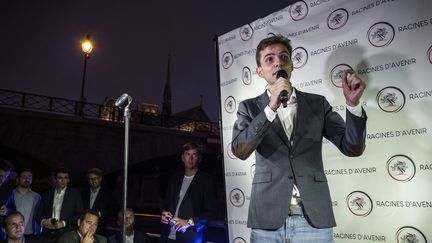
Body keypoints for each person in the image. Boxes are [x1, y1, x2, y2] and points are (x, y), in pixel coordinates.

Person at [231, 35, 367, 243]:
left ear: (291, 65)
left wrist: (353, 105)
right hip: (267, 220)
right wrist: (271, 108)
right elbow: (240, 150)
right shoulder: (248, 108)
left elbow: (352, 148)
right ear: (259, 71)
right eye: (269, 59)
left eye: (284, 57)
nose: (278, 62)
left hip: (314, 219)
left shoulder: (317, 104)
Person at [160, 142, 217, 243]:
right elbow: (166, 204)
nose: (190, 159)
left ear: (199, 159)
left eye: (194, 155)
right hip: (168, 236)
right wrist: (164, 213)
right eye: (187, 154)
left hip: (190, 237)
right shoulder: (175, 178)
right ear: (183, 158)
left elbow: (210, 211)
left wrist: (188, 222)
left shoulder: (206, 180)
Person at [36, 167, 83, 242]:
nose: (63, 180)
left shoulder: (75, 194)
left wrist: (64, 223)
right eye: (60, 178)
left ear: (68, 180)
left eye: (65, 178)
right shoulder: (46, 195)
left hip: (67, 234)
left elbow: (80, 214)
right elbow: (37, 215)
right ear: (55, 179)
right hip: (47, 234)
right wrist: (43, 222)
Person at [82, 168, 114, 236]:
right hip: (84, 229)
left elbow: (111, 211)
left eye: (95, 178)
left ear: (100, 179)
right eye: (91, 179)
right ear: (88, 180)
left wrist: (99, 214)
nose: (93, 181)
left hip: (100, 230)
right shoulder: (83, 194)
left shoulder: (108, 194)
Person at [13, 168, 41, 238]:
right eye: (23, 176)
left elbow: (38, 215)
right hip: (11, 232)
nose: (27, 179)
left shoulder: (37, 196)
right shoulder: (10, 193)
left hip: (28, 233)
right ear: (17, 179)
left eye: (29, 177)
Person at [0, 160, 16, 240]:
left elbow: (13, 210)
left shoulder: (8, 190)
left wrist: (7, 211)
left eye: (5, 176)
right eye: (0, 175)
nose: (2, 179)